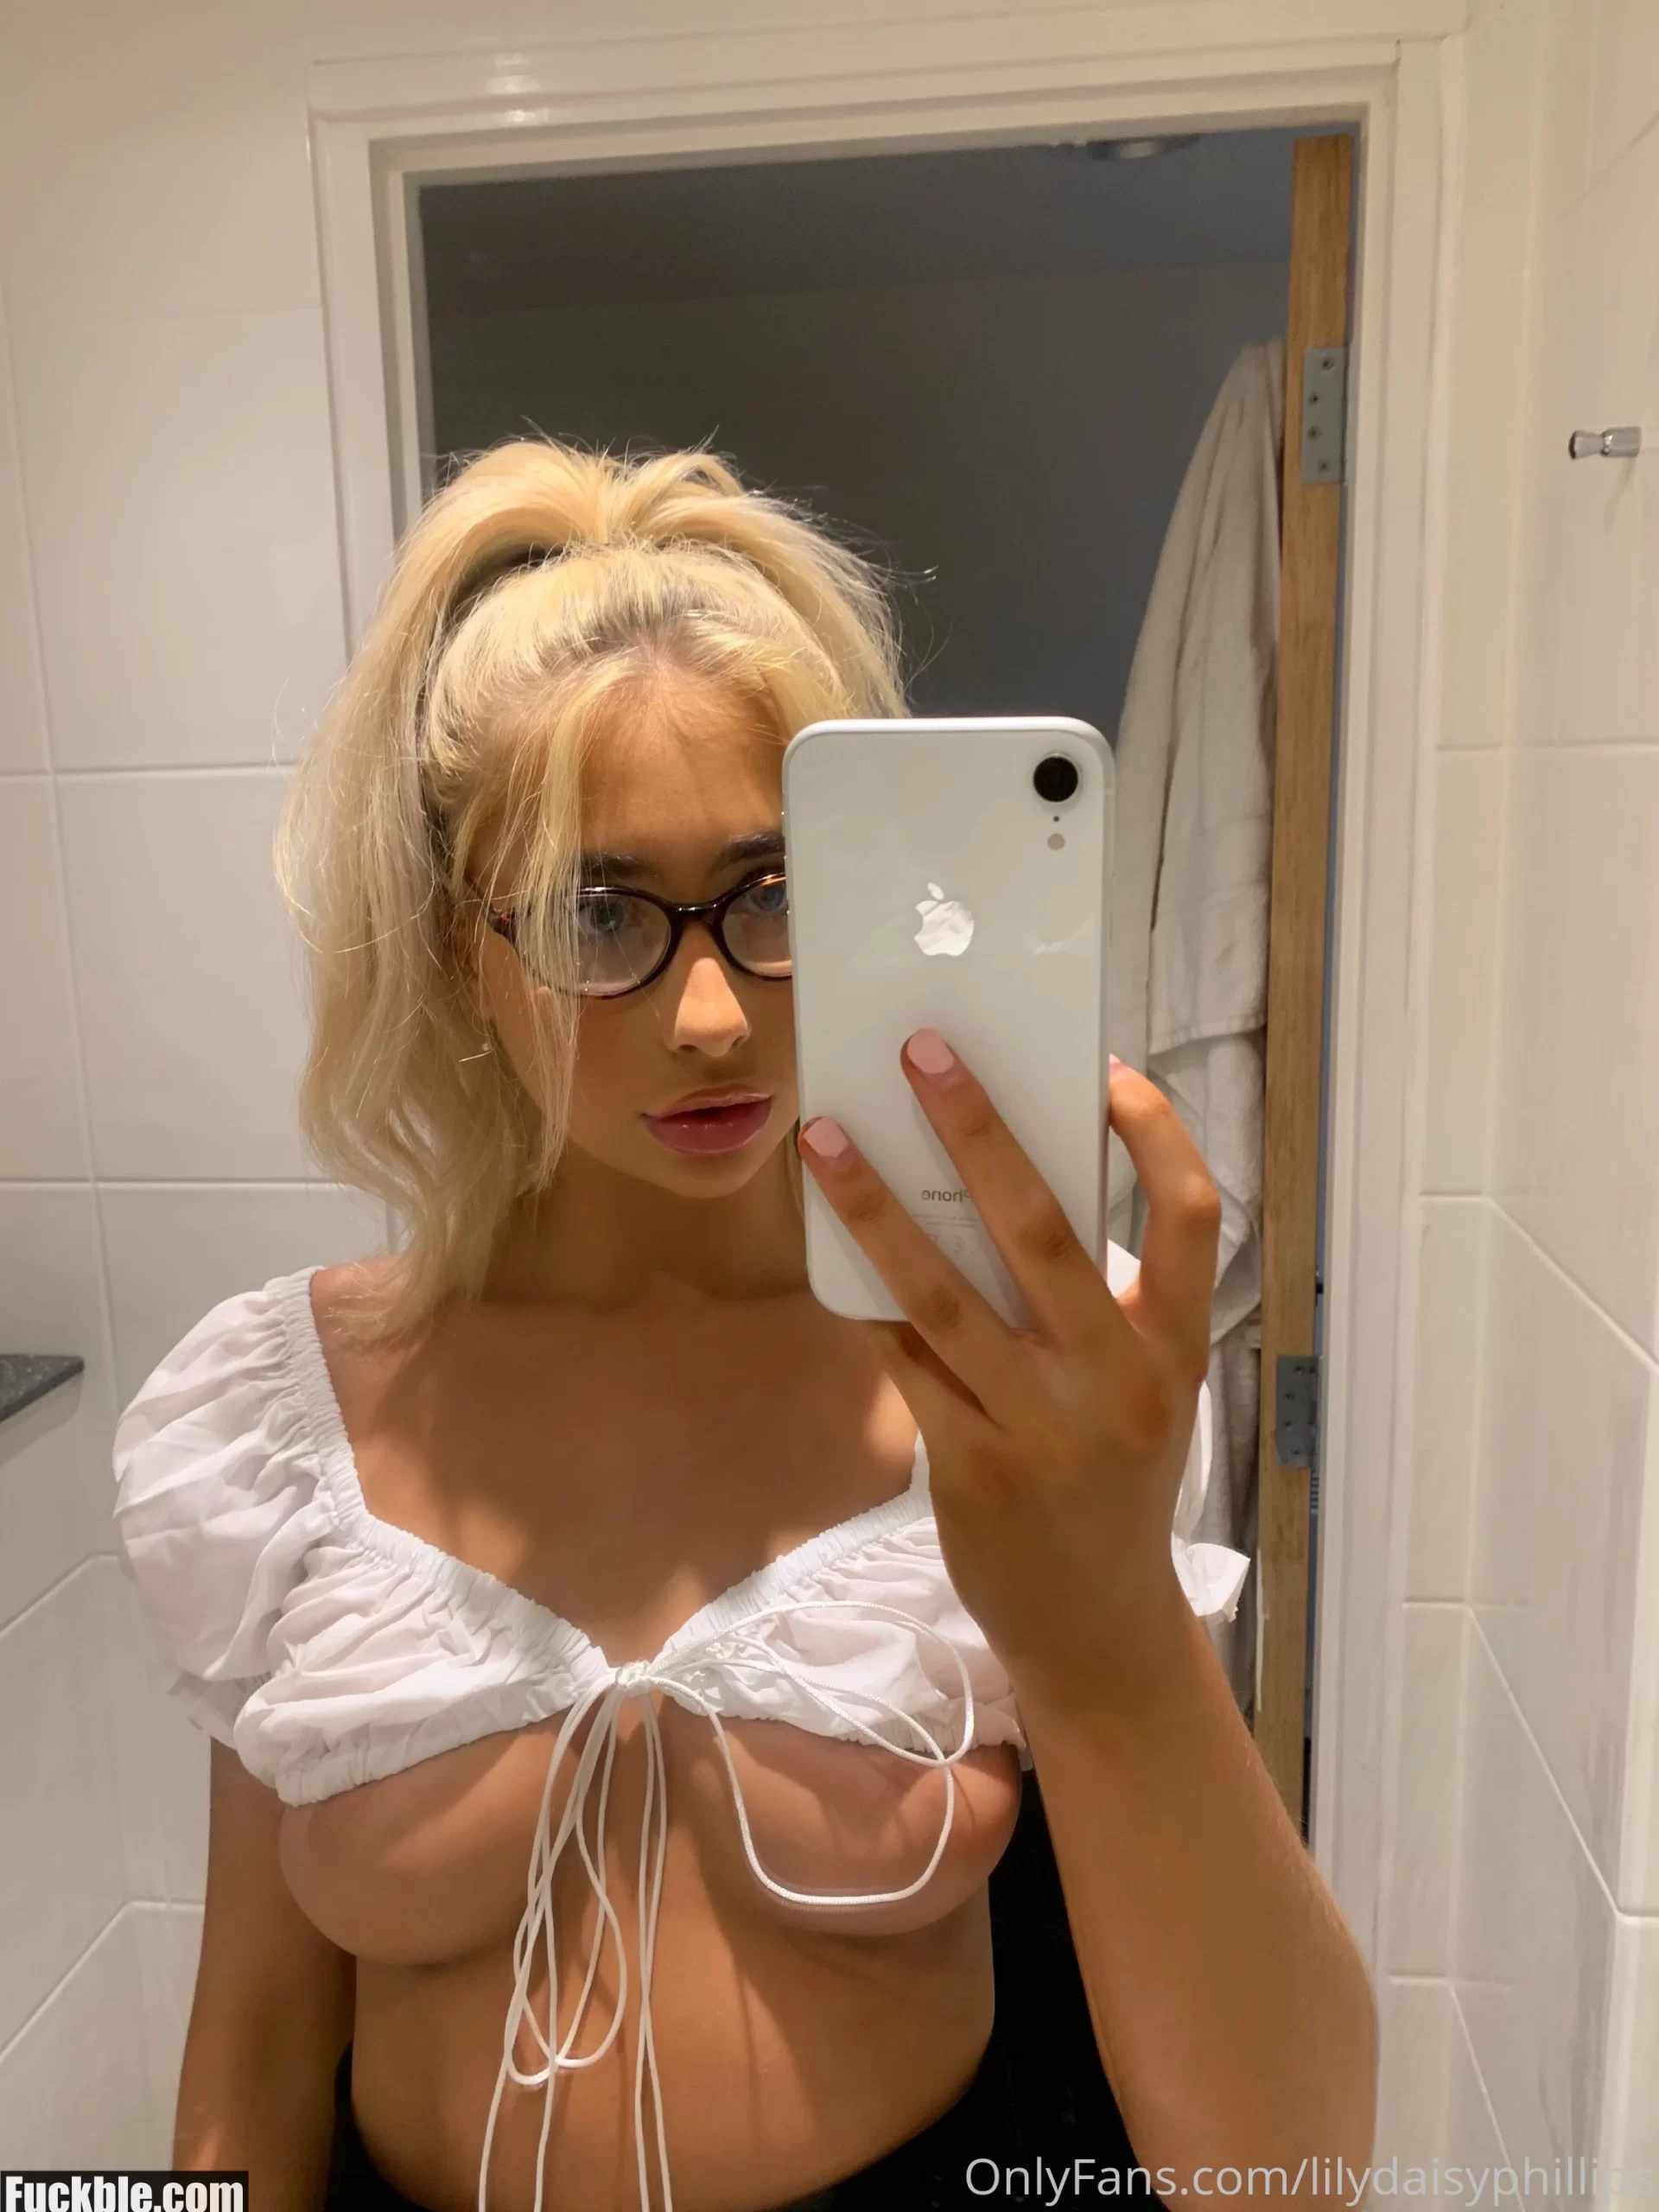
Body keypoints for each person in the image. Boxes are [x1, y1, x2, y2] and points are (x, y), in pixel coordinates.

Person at [111, 443, 1376, 2212]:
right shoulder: (283, 1424)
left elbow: (1289, 2173)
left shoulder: (1011, 1372)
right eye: (596, 910)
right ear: (462, 947)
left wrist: (1107, 1614)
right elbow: (247, 2060)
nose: (707, 1013)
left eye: (774, 891)